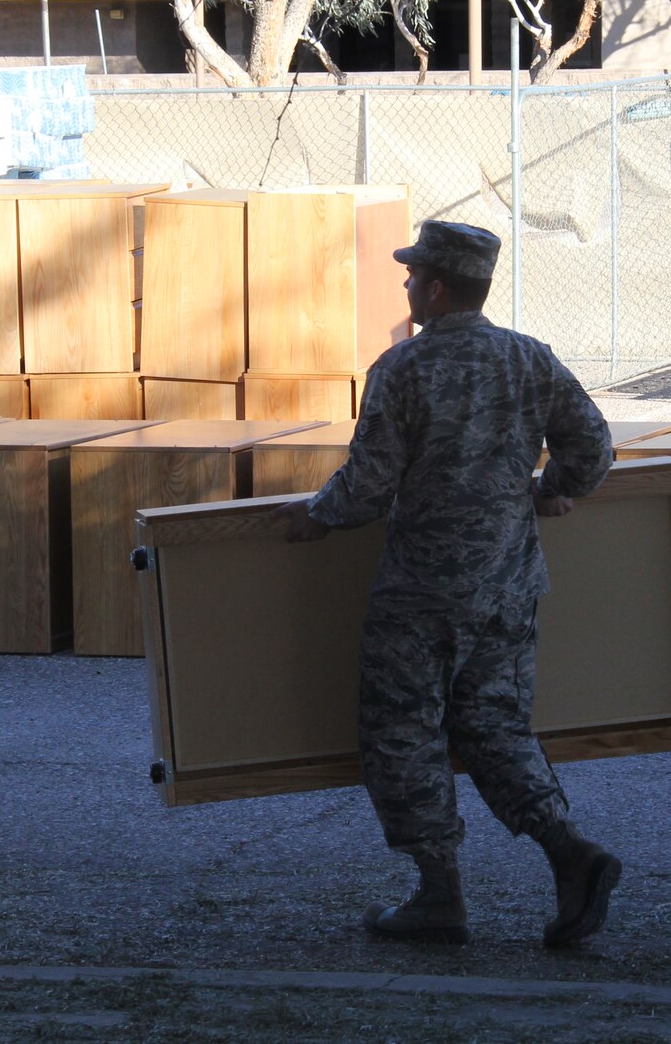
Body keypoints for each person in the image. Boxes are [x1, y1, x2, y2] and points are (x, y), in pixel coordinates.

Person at [269, 220, 619, 948]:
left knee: (402, 732)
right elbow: (594, 446)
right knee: (496, 726)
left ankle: (439, 894)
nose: (405, 285)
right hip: (508, 587)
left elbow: (366, 487)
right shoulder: (531, 360)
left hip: (420, 595)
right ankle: (568, 850)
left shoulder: (403, 370)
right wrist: (548, 487)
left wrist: (313, 517)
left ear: (434, 286)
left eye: (412, 275)